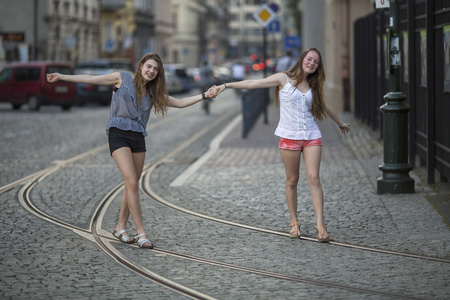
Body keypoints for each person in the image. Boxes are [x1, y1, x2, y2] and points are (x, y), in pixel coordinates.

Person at [47, 53, 218, 249]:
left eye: (155, 69)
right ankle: (141, 233)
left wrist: (205, 95)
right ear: (141, 66)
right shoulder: (122, 77)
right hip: (118, 133)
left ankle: (120, 227)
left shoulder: (153, 93)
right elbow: (92, 79)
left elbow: (178, 103)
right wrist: (62, 76)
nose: (151, 71)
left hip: (138, 137)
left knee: (132, 185)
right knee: (132, 182)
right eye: (149, 67)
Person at [215, 47, 350, 242]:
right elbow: (254, 83)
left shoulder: (313, 85)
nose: (312, 63)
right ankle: (294, 222)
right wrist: (226, 86)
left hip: (311, 135)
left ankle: (321, 225)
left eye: (316, 62)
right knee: (292, 180)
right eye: (310, 59)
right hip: (289, 137)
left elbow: (324, 105)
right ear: (302, 59)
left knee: (314, 178)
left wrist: (339, 123)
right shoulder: (282, 79)